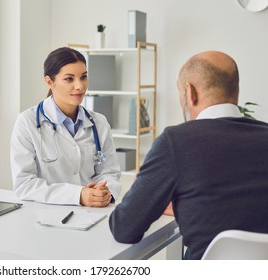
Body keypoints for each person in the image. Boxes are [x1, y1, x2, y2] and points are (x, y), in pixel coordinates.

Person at [109, 50, 268, 259]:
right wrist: (190, 205)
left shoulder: (176, 142)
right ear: (235, 91)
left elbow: (124, 227)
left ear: (190, 92)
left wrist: (170, 201)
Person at [10, 47, 121, 207]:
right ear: (49, 82)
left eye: (83, 77)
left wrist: (104, 191)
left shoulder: (99, 123)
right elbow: (24, 184)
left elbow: (109, 172)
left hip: (93, 212)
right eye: (69, 79)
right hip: (46, 215)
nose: (80, 86)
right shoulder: (27, 122)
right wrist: (78, 195)